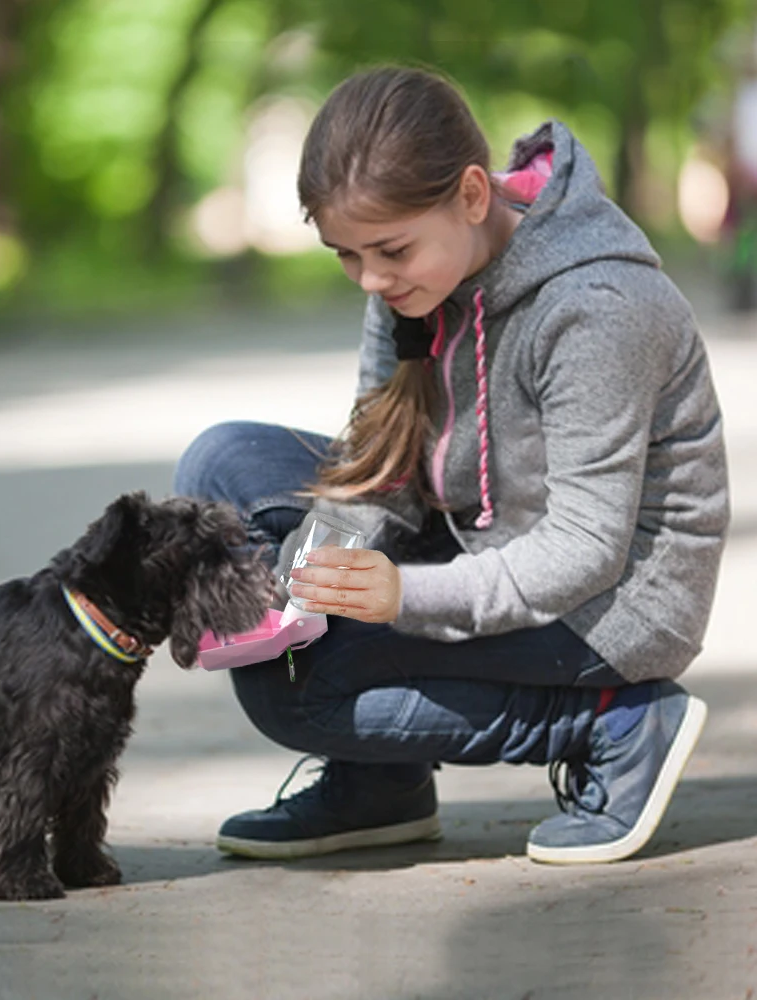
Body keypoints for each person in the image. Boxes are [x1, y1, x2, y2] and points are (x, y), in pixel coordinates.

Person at [174, 66, 729, 865]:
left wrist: (401, 595)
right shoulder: (412, 279)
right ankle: (382, 783)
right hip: (480, 540)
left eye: (389, 251)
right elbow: (383, 469)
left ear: (472, 195)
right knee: (220, 461)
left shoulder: (596, 308)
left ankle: (616, 722)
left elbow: (583, 548)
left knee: (294, 692)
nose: (370, 279)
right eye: (346, 256)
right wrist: (316, 569)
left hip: (609, 606)